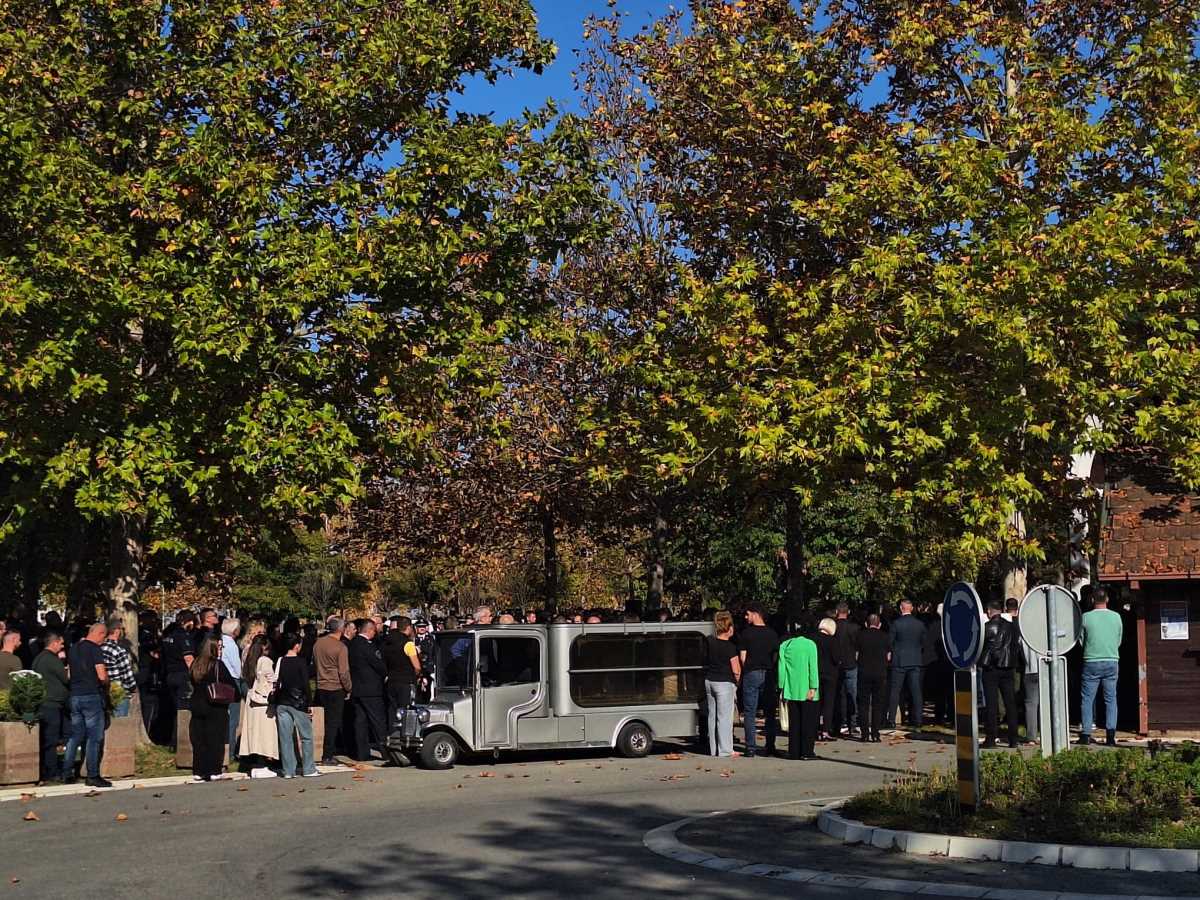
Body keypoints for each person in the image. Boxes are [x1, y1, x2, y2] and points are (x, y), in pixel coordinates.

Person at [62, 623, 111, 787]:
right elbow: (101, 675)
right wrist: (106, 683)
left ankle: (66, 772)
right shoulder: (95, 649)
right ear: (99, 633)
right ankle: (92, 775)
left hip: (75, 695)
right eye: (103, 637)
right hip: (91, 695)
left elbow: (68, 674)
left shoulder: (74, 648)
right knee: (94, 737)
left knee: (75, 735)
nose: (103, 641)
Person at [1079, 586, 1123, 746]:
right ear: (1107, 599)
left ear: (1092, 600)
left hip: (1091, 660)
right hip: (1112, 659)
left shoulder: (1085, 617)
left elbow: (1081, 640)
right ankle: (1110, 736)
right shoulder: (1117, 617)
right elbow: (1118, 640)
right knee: (1111, 699)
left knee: (1087, 698)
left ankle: (1085, 734)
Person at [188, 633, 234, 782]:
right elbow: (230, 684)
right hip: (215, 706)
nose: (221, 650)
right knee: (215, 739)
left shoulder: (196, 664)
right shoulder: (217, 665)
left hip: (197, 705)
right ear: (213, 648)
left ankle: (199, 770)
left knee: (199, 740)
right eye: (219, 647)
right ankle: (214, 769)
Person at [274, 632, 320, 779]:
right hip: (298, 701)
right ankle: (308, 768)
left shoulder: (279, 661)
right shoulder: (300, 662)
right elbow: (305, 684)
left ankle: (288, 770)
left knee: (285, 737)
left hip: (282, 701)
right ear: (296, 646)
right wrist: (309, 703)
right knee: (306, 736)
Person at [738, 603, 779, 758]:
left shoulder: (746, 634)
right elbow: (776, 656)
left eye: (748, 614)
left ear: (756, 614)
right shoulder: (772, 634)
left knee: (750, 711)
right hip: (768, 672)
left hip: (751, 672)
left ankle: (750, 747)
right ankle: (770, 746)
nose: (746, 617)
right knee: (769, 712)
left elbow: (743, 657)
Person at [980, 598, 1021, 748]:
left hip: (990, 669)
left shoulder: (985, 627)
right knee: (1010, 703)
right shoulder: (1012, 627)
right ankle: (1013, 739)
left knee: (991, 704)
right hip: (1008, 668)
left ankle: (991, 738)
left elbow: (980, 648)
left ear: (989, 611)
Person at [238, 634, 279, 777]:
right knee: (264, 734)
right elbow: (271, 679)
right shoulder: (265, 661)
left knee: (254, 733)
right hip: (263, 703)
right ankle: (262, 766)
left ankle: (254, 764)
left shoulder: (248, 658)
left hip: (252, 700)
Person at [314, 617, 352, 765]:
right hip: (335, 687)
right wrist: (348, 687)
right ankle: (328, 754)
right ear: (341, 629)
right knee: (333, 722)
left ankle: (322, 750)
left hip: (321, 685)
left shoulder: (318, 643)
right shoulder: (341, 647)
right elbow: (344, 671)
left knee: (323, 721)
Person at [778, 623, 819, 760]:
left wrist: (781, 686)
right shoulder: (810, 645)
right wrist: (813, 686)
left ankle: (793, 751)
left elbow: (781, 668)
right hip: (807, 688)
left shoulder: (785, 645)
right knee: (808, 722)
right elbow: (812, 667)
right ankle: (807, 751)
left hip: (790, 688)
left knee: (794, 722)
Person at [347, 619, 387, 761]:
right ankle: (386, 751)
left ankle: (361, 753)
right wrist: (385, 673)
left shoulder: (351, 644)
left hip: (357, 688)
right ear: (370, 630)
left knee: (360, 722)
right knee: (378, 721)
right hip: (371, 689)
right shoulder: (368, 646)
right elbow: (378, 664)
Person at [33, 631, 70, 783]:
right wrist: (68, 668)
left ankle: (45, 769)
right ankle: (52, 771)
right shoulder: (51, 659)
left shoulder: (39, 658)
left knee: (46, 738)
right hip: (52, 704)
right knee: (51, 739)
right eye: (61, 644)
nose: (62, 647)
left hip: (43, 702)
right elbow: (66, 678)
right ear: (53, 643)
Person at [703, 610, 741, 758]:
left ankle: (714, 749)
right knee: (724, 718)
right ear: (729, 628)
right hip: (724, 683)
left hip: (709, 680)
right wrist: (737, 683)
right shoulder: (730, 647)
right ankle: (725, 750)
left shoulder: (709, 642)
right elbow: (736, 670)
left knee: (712, 717)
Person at [887, 600, 927, 730]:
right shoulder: (919, 624)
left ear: (901, 608)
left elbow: (890, 642)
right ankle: (918, 719)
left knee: (895, 691)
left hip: (899, 660)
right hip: (915, 660)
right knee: (916, 692)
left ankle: (891, 719)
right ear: (912, 608)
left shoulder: (896, 624)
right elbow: (923, 642)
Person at [161, 610, 198, 745]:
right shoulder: (183, 636)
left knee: (174, 709)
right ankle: (181, 742)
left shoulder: (168, 636)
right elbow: (188, 659)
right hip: (183, 676)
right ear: (189, 621)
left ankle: (172, 739)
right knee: (184, 710)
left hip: (170, 675)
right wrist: (197, 676)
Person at [855, 614, 890, 742]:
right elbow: (889, 656)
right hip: (880, 673)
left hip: (864, 672)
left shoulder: (860, 636)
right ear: (879, 624)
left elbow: (856, 655)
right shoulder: (885, 637)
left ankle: (864, 733)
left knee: (863, 704)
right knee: (877, 704)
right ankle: (875, 733)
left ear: (866, 623)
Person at [383, 617, 422, 724]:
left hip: (391, 681)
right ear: (409, 628)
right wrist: (416, 676)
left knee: (392, 710)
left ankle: (391, 733)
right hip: (406, 681)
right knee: (406, 710)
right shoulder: (408, 644)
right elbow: (417, 667)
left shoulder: (387, 642)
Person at [832, 604, 860, 736]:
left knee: (838, 695)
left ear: (837, 612)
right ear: (848, 612)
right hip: (851, 663)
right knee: (851, 695)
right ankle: (852, 723)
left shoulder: (833, 627)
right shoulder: (854, 628)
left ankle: (839, 722)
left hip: (836, 664)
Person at [100, 619, 138, 717]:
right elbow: (127, 673)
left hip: (102, 689)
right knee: (120, 724)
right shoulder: (118, 650)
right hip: (118, 690)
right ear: (117, 631)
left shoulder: (98, 648)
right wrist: (133, 687)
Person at [814, 618, 840, 741]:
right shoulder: (833, 641)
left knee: (816, 702)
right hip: (830, 674)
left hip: (816, 673)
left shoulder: (813, 639)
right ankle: (825, 730)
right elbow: (836, 658)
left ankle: (814, 728)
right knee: (828, 703)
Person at [1019, 604, 1040, 746]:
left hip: (1029, 669)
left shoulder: (1023, 631)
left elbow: (1019, 648)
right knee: (1046, 703)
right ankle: (1047, 732)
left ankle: (1031, 736)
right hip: (1044, 669)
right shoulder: (1045, 629)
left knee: (1031, 704)